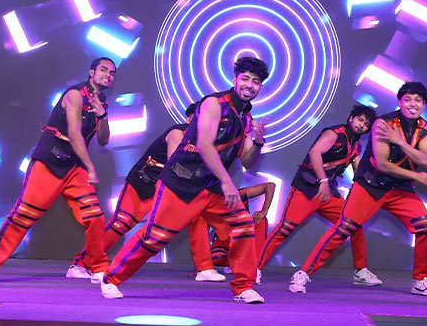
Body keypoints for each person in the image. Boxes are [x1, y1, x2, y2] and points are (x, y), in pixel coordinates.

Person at [102, 55, 269, 302]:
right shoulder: (214, 103)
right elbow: (204, 144)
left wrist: (258, 141)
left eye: (255, 81)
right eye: (245, 78)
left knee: (243, 224)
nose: (249, 85)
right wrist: (227, 182)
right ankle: (111, 278)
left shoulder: (246, 119)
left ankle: (243, 287)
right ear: (235, 79)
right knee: (154, 238)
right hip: (182, 182)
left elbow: (247, 161)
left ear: (260, 87)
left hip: (212, 187)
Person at [0, 57, 116, 283]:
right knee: (23, 216)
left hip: (74, 167)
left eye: (112, 72)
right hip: (50, 161)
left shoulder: (101, 102)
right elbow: (74, 133)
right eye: (104, 70)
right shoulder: (75, 95)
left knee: (94, 217)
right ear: (91, 72)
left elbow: (104, 140)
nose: (108, 75)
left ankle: (94, 268)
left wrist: (102, 116)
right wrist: (90, 167)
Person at [288, 82, 427, 297]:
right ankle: (303, 273)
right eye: (407, 99)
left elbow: (425, 159)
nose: (413, 104)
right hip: (370, 186)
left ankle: (420, 280)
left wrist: (400, 142)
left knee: (426, 228)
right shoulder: (383, 123)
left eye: (418, 100)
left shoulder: (425, 128)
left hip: (400, 188)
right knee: (344, 228)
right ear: (399, 102)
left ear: (424, 104)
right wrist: (416, 175)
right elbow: (383, 164)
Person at [66, 104, 198, 279]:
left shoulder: (202, 141)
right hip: (143, 184)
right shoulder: (178, 133)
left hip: (164, 189)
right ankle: (80, 264)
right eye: (197, 117)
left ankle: (204, 268)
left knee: (196, 218)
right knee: (120, 223)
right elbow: (175, 166)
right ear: (189, 119)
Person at [257, 105, 380, 287]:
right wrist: (323, 180)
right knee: (285, 228)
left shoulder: (356, 145)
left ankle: (361, 271)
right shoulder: (334, 133)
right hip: (307, 189)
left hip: (327, 194)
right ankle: (255, 268)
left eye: (366, 124)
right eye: (360, 120)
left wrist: (374, 185)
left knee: (353, 224)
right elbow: (315, 152)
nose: (362, 125)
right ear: (351, 118)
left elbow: (358, 171)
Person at [196, 182, 276, 278]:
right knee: (217, 258)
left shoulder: (237, 195)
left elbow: (270, 186)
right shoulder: (207, 202)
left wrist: (264, 211)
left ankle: (255, 267)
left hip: (243, 238)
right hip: (224, 240)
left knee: (261, 220)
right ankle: (232, 263)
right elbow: (201, 232)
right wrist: (201, 267)